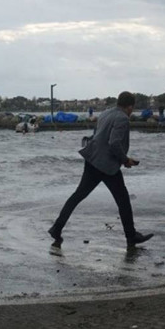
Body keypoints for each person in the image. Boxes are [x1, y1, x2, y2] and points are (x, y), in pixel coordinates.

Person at [48, 91, 153, 249]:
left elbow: (97, 136)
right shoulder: (122, 118)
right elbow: (114, 143)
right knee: (123, 200)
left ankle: (57, 228)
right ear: (130, 106)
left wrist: (122, 159)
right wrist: (125, 160)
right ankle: (131, 237)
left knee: (77, 196)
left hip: (91, 160)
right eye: (133, 108)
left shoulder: (105, 113)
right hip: (107, 166)